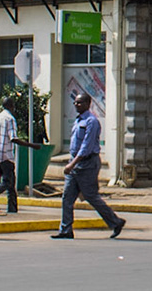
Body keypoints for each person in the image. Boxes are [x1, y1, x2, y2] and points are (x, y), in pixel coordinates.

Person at [52, 92, 123, 240]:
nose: (77, 105)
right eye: (75, 103)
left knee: (91, 196)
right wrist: (71, 162)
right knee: (67, 197)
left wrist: (72, 163)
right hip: (75, 164)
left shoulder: (92, 122)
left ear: (88, 104)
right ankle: (66, 230)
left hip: (87, 164)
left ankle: (115, 222)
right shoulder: (78, 121)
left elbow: (86, 146)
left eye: (80, 103)